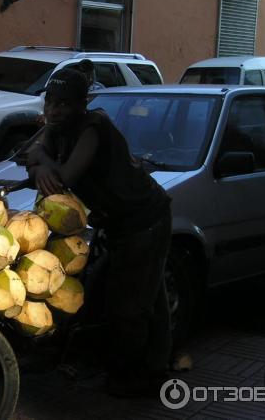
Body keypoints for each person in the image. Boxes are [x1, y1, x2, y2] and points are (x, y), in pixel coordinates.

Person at [27, 68, 172, 396]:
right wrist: (39, 164)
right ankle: (157, 364)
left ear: (83, 104)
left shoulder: (94, 126)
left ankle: (134, 378)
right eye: (50, 102)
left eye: (64, 104)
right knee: (150, 295)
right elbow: (33, 152)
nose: (53, 110)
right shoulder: (57, 128)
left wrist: (45, 166)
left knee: (132, 305)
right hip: (119, 223)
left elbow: (66, 176)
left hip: (144, 220)